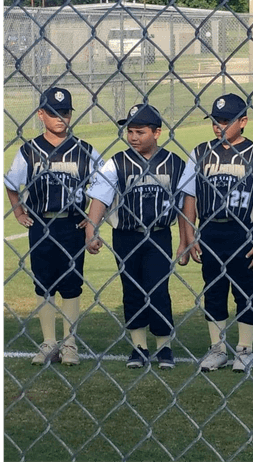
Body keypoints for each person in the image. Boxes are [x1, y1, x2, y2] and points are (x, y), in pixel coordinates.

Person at [177, 94, 253, 373]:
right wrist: (189, 236)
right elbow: (189, 196)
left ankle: (245, 350)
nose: (219, 126)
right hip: (209, 230)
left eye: (226, 121)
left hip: (243, 231)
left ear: (243, 121)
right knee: (213, 289)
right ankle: (218, 348)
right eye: (216, 121)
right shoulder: (200, 152)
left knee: (245, 290)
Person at [84, 104, 189, 370]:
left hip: (158, 236)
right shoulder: (116, 163)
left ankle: (164, 348)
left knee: (158, 291)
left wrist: (187, 241)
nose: (133, 137)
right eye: (129, 131)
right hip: (126, 236)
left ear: (157, 132)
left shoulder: (175, 163)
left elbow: (186, 206)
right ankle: (139, 347)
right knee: (131, 291)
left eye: (140, 132)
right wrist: (90, 230)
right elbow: (100, 199)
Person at [5, 87, 103, 366]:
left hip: (73, 224)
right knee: (44, 283)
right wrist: (18, 211)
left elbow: (106, 186)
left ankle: (69, 344)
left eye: (65, 113)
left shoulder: (85, 150)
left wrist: (94, 219)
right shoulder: (30, 150)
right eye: (53, 113)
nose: (60, 118)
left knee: (72, 285)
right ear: (40, 114)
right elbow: (12, 183)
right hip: (41, 223)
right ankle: (49, 342)